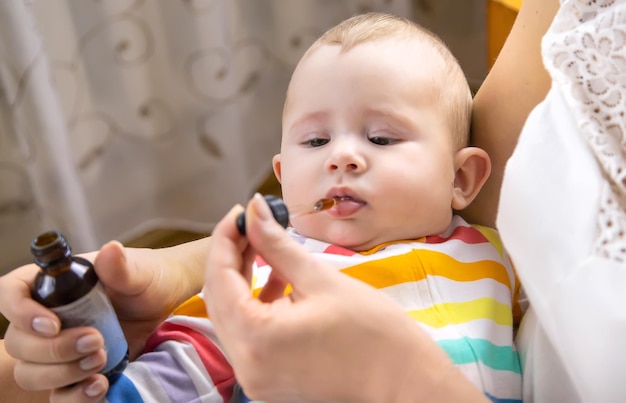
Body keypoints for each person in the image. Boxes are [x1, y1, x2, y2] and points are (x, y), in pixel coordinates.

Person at [3, 0, 625, 401]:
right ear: (281, 175)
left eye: (381, 137)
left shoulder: (500, 256)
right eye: (315, 140)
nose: (342, 156)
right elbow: (185, 367)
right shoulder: (266, 281)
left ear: (463, 179)